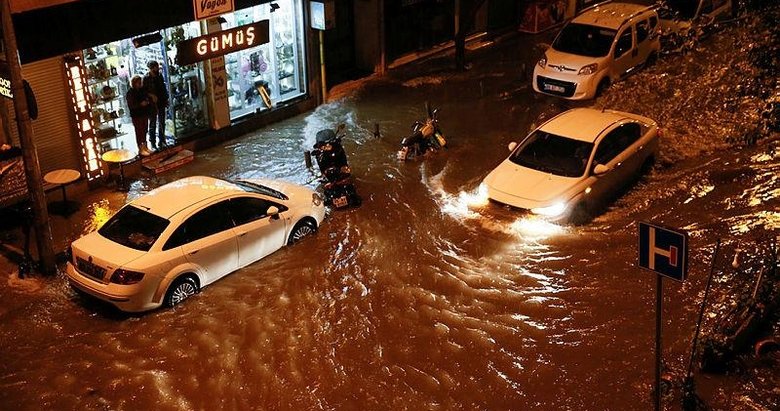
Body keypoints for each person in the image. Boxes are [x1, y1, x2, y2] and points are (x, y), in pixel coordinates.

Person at [143, 60, 169, 150]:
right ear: (151, 68)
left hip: (161, 102)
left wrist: (166, 99)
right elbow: (144, 92)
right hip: (152, 105)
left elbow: (163, 88)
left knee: (162, 122)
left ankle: (162, 140)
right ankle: (153, 142)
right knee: (153, 123)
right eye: (155, 67)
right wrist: (151, 95)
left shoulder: (159, 76)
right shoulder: (146, 79)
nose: (157, 68)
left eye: (157, 67)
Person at [126, 75, 153, 156]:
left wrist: (147, 102)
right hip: (136, 115)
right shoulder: (130, 93)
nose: (140, 84)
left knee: (145, 130)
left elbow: (146, 97)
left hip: (144, 113)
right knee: (139, 131)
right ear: (134, 83)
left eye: (140, 82)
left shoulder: (142, 91)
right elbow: (131, 105)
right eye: (139, 82)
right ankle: (140, 148)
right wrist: (140, 104)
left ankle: (145, 146)